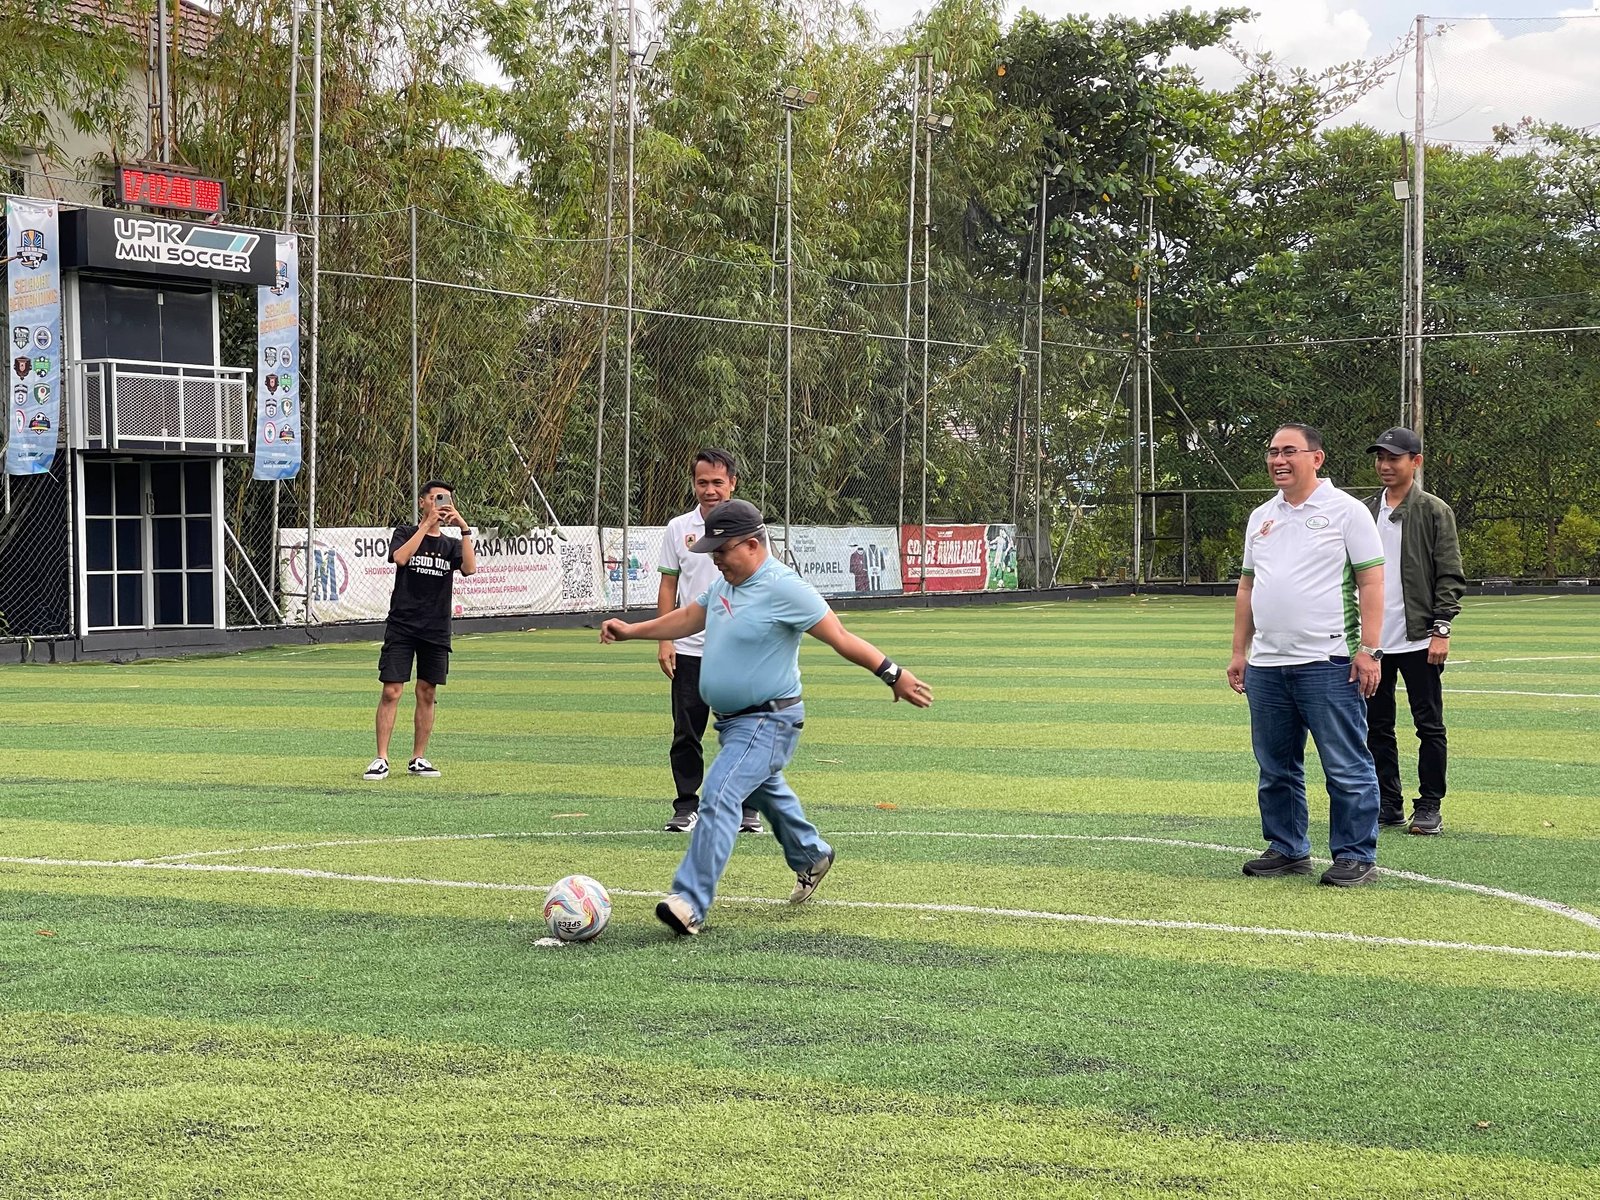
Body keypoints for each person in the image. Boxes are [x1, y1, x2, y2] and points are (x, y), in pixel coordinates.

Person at [601, 498, 933, 935]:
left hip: (770, 721)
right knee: (765, 791)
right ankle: (811, 853)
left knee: (720, 793)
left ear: (754, 545)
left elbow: (839, 636)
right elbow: (687, 619)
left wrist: (893, 674)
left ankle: (690, 901)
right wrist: (632, 630)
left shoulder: (784, 587)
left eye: (722, 550)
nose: (716, 559)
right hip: (734, 723)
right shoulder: (725, 586)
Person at [1226, 424, 1387, 887]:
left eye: (1289, 451)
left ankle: (1356, 854)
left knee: (1345, 764)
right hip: (1268, 664)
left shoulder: (1347, 512)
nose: (1279, 459)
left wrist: (1369, 650)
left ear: (1316, 458)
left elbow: (1372, 582)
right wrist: (1240, 651)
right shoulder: (1261, 516)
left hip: (1330, 660)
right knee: (1275, 765)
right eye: (1273, 451)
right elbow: (1248, 586)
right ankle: (1287, 848)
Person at [1364, 427, 1465, 836]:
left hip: (1419, 637)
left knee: (1429, 725)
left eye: (1394, 458)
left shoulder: (1434, 511)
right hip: (1372, 642)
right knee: (1376, 725)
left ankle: (1429, 805)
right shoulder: (1364, 509)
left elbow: (1450, 574)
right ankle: (1388, 803)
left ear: (1415, 462)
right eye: (1381, 458)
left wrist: (1441, 629)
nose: (1385, 466)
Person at [656, 448, 762, 834]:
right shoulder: (677, 528)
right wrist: (666, 639)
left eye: (718, 482)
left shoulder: (751, 528)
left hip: (738, 649)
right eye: (703, 482)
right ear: (693, 484)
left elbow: (762, 585)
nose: (710, 489)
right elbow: (668, 585)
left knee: (746, 731)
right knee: (686, 731)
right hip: (689, 649)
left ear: (732, 483)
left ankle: (748, 810)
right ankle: (686, 806)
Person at [363, 480, 476, 781]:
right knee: (391, 690)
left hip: (436, 627)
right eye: (435, 499)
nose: (440, 504)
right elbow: (400, 558)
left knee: (427, 692)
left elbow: (469, 568)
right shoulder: (405, 533)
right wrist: (425, 527)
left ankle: (418, 758)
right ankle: (381, 758)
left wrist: (464, 528)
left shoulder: (451, 544)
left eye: (446, 499)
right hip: (402, 624)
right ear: (423, 502)